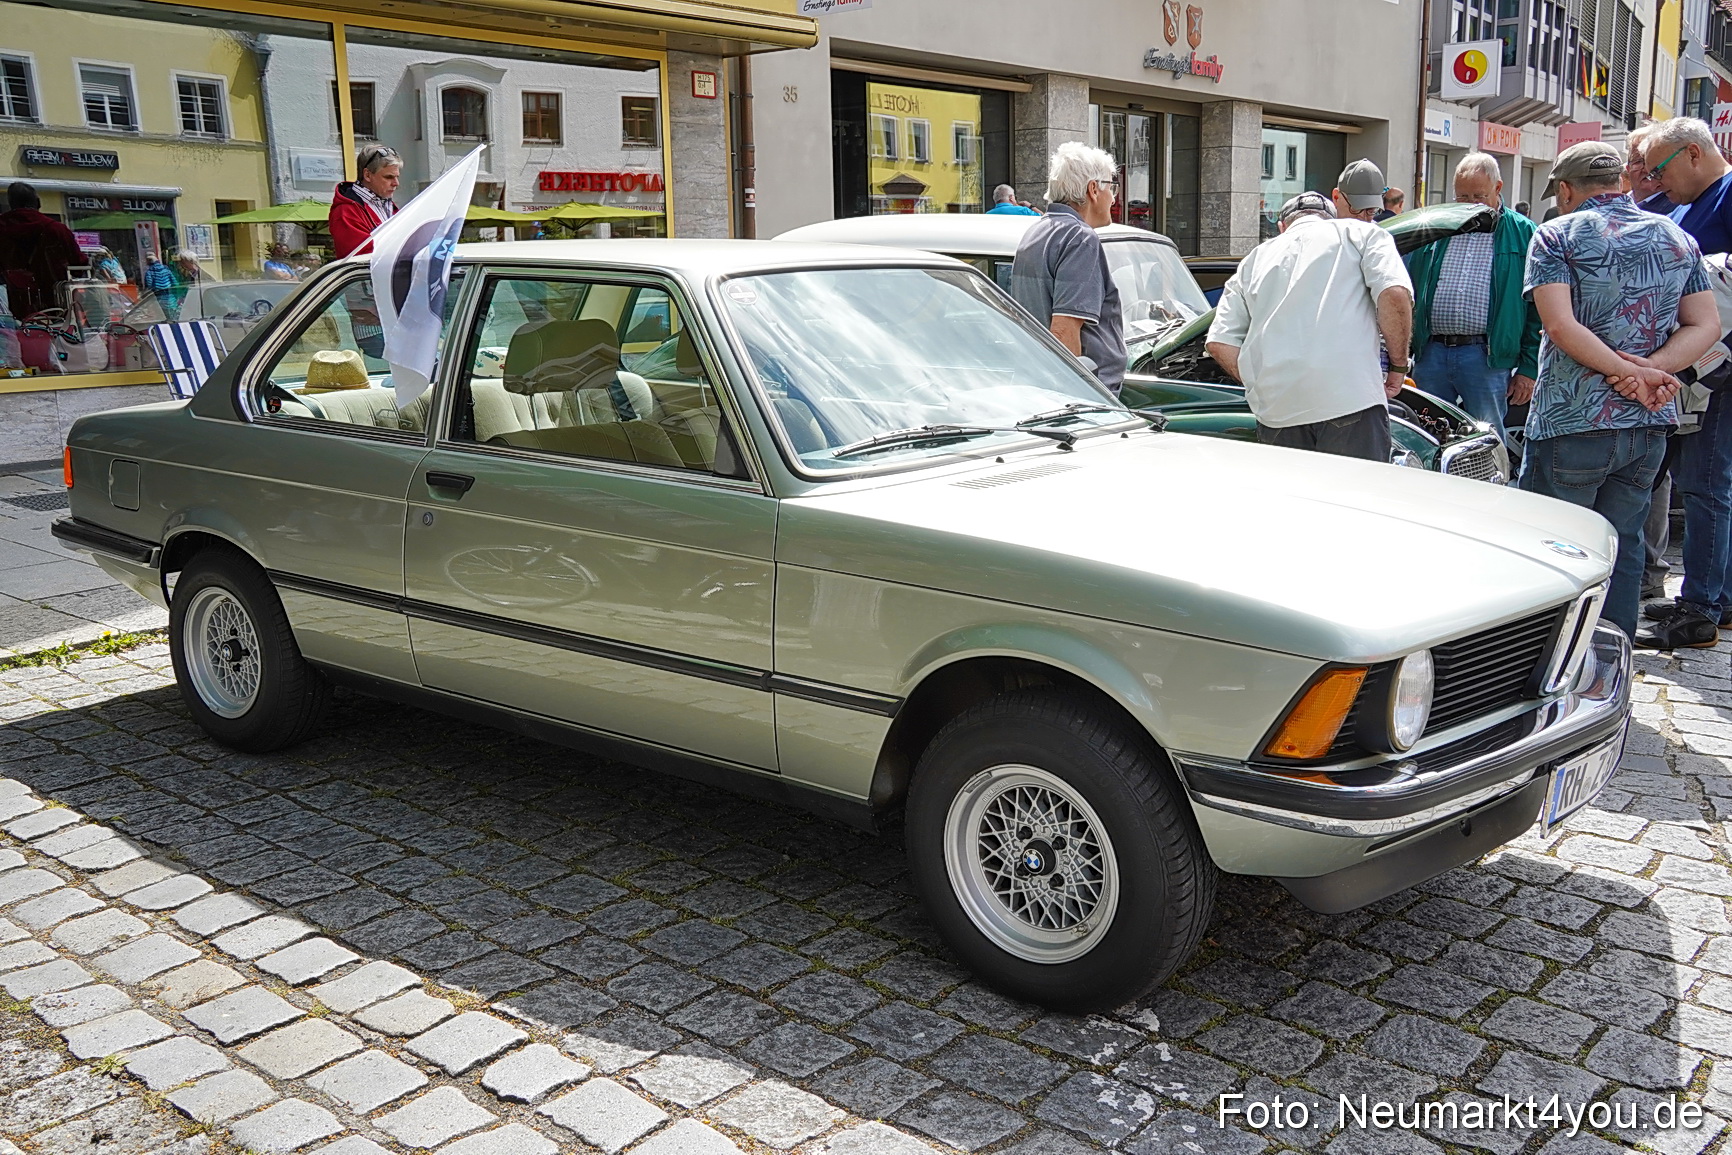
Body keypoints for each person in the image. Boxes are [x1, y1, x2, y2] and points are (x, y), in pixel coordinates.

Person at [1520, 141, 1719, 641]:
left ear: (1566, 190)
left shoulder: (1555, 235)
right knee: (1624, 543)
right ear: (1620, 184)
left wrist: (1621, 370)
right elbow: (1706, 325)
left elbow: (1561, 327)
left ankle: (1548, 665)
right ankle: (1613, 658)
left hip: (1572, 418)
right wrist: (1650, 371)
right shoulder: (1675, 237)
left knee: (1554, 544)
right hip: (1649, 421)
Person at [1205, 191, 1413, 461]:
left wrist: (1261, 380)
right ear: (1331, 218)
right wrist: (1398, 367)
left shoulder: (1253, 260)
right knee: (1357, 500)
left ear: (1282, 227)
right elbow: (1394, 294)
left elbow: (1219, 342)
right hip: (1350, 399)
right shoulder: (1360, 233)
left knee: (1295, 502)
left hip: (1278, 411)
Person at [1635, 117, 1732, 645]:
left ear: (1692, 153)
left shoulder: (1726, 194)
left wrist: (1709, 360)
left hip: (1717, 370)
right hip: (1699, 365)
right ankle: (1716, 598)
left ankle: (1699, 611)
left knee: (1705, 487)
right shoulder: (1694, 200)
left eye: (1659, 169)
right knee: (1706, 487)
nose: (1655, 181)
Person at [1404, 151, 1540, 437]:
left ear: (1498, 188)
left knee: (1487, 436)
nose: (1468, 205)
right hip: (1432, 352)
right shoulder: (1437, 225)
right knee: (1425, 434)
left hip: (1486, 358)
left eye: (1477, 196)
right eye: (1462, 197)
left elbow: (1536, 309)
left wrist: (1528, 368)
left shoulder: (1524, 232)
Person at [1010, 142, 1125, 392]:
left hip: (1038, 383)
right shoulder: (1080, 238)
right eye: (1111, 187)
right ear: (1093, 189)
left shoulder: (1036, 231)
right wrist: (1074, 402)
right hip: (1084, 395)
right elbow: (1064, 331)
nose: (1113, 198)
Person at [0, 182, 80, 319]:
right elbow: (79, 265)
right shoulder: (56, 229)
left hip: (13, 306)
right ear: (38, 203)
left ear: (11, 204)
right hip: (55, 304)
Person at [330, 144, 401, 258]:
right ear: (367, 175)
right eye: (388, 177)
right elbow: (362, 257)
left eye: (397, 177)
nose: (396, 183)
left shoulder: (387, 204)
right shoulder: (346, 211)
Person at [1625, 124, 1676, 215]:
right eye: (1638, 161)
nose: (1647, 169)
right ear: (1628, 169)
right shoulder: (1617, 204)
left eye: (1653, 162)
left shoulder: (1676, 207)